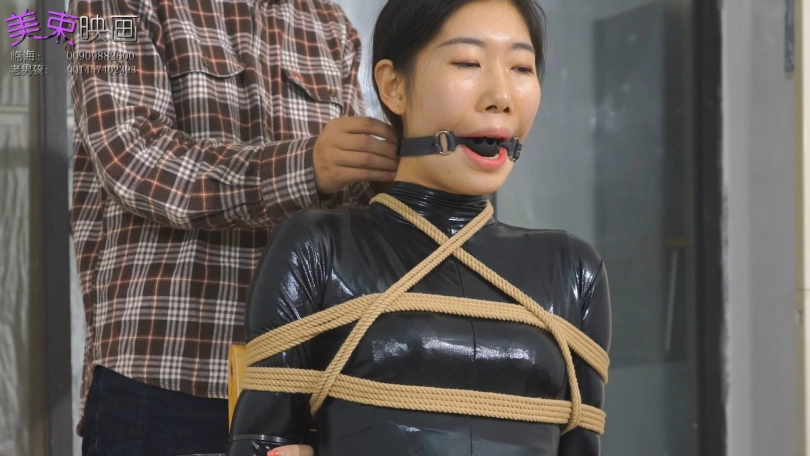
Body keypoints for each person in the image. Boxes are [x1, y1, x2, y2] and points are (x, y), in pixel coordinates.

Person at [227, 0, 612, 455]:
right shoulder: (318, 248)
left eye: (521, 68)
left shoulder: (573, 270)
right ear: (394, 87)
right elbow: (261, 443)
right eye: (467, 62)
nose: (501, 95)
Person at [68, 0, 399, 453]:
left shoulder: (329, 22)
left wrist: (400, 173)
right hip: (165, 374)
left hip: (301, 383)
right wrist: (306, 166)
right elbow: (130, 156)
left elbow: (347, 192)